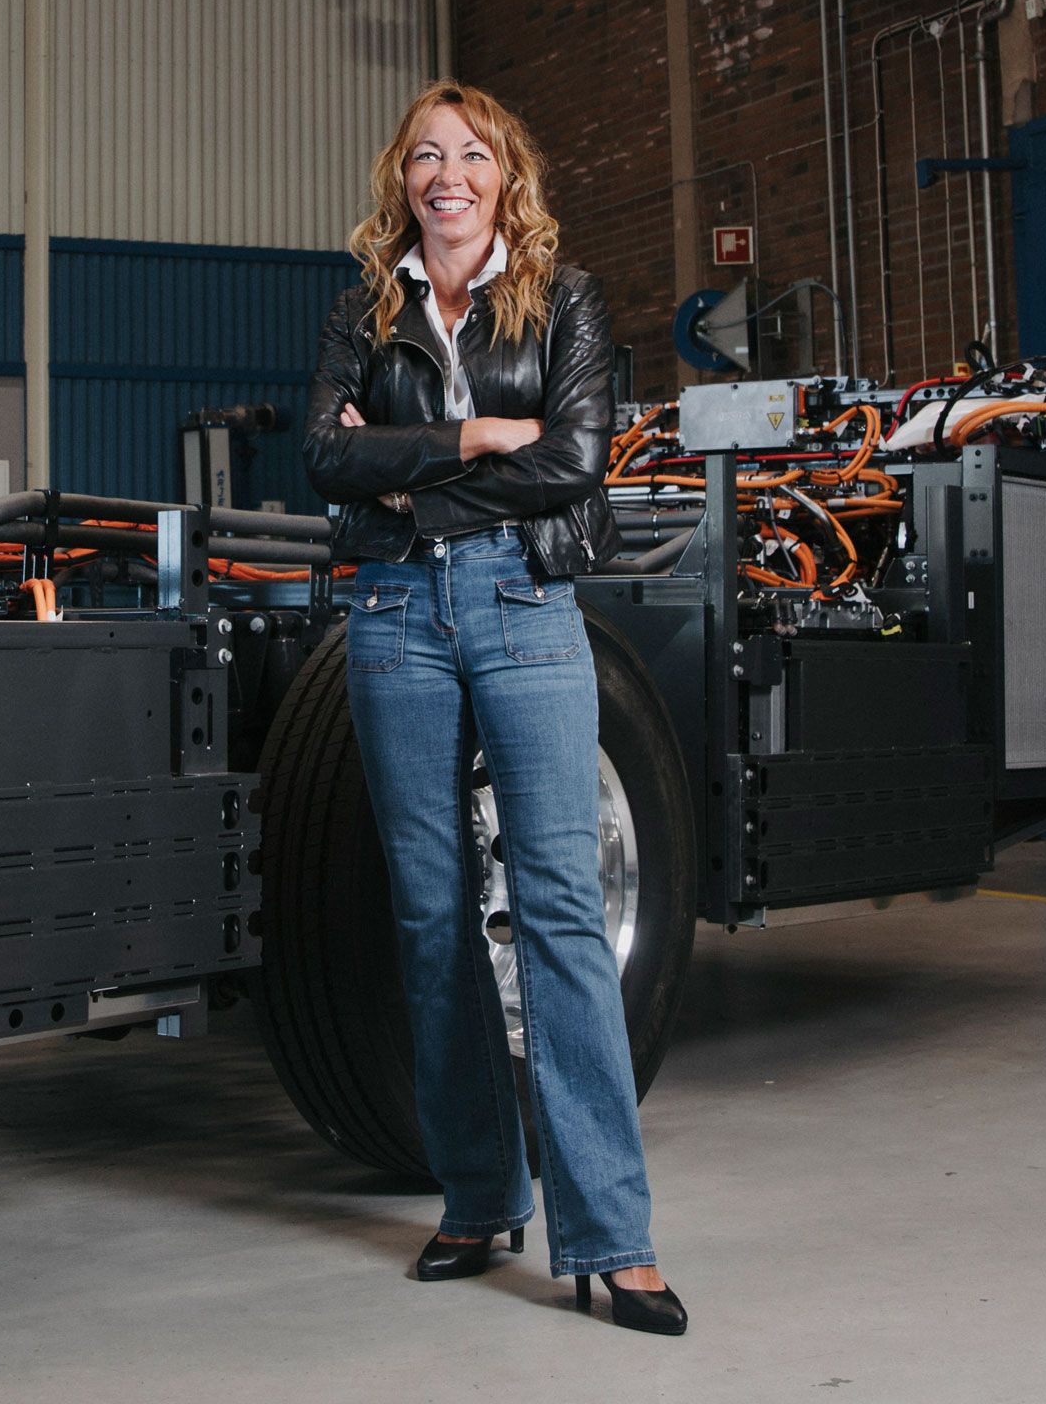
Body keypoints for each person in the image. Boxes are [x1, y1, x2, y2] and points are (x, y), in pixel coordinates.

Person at [301, 81, 686, 1337]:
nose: (447, 173)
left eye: (472, 154)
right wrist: (475, 442)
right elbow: (322, 457)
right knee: (431, 909)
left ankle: (613, 1235)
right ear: (402, 180)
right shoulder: (366, 307)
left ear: (506, 176)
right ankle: (479, 1194)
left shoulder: (562, 298)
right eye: (426, 155)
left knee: (561, 905)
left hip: (526, 606)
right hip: (395, 617)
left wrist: (407, 473)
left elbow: (576, 457)